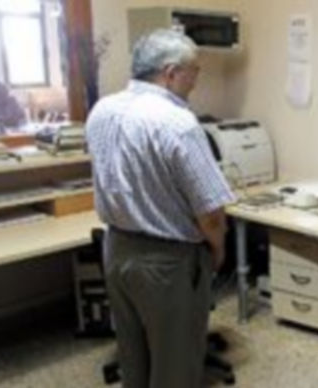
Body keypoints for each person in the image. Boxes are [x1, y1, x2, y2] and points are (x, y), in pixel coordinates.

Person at [85, 29, 235, 388]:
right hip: (167, 262)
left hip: (117, 251)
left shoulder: (102, 110)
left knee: (133, 357)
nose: (196, 81)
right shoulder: (177, 123)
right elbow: (211, 213)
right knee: (176, 367)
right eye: (194, 71)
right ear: (170, 73)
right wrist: (217, 252)